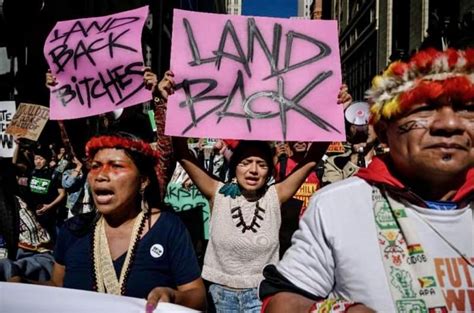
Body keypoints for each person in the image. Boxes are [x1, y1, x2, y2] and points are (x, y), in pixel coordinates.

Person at [259, 47, 474, 312]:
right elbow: (282, 302)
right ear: (384, 132)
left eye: (467, 108)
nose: (450, 124)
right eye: (425, 108)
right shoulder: (336, 205)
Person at [159, 71, 351, 312]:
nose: (253, 170)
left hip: (261, 296)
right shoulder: (216, 192)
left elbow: (311, 160)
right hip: (218, 294)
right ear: (234, 167)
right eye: (245, 163)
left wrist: (335, 111)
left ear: (269, 170)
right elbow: (183, 153)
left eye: (261, 164)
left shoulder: (275, 195)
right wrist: (171, 105)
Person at [50, 132, 206, 312]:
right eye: (95, 166)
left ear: (143, 181)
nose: (101, 175)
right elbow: (57, 286)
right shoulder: (73, 229)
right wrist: (20, 284)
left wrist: (172, 297)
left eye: (116, 166)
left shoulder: (168, 228)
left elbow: (198, 296)